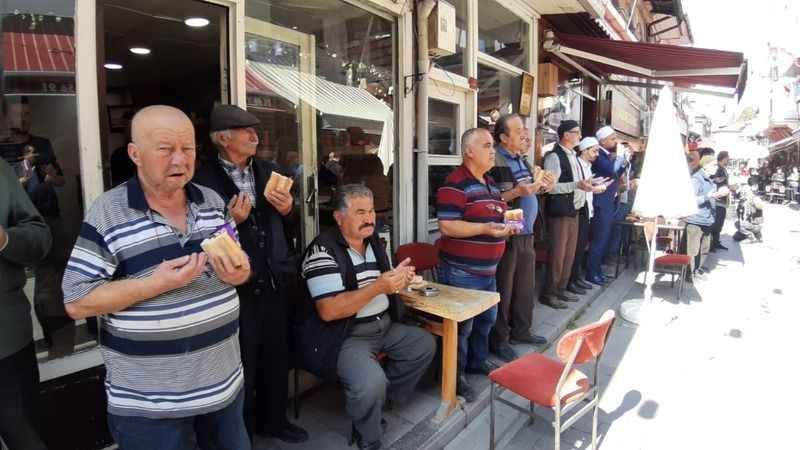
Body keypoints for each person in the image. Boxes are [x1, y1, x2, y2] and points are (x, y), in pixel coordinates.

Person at [61, 105, 252, 450]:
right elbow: (76, 302)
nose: (180, 160)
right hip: (149, 407)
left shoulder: (212, 202)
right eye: (165, 149)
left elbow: (240, 265)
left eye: (188, 148)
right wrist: (155, 284)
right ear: (135, 154)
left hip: (223, 389)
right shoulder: (108, 212)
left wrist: (240, 272)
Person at [192, 105, 308, 443]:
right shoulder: (202, 181)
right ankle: (241, 433)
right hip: (234, 288)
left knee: (276, 354)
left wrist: (288, 209)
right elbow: (198, 238)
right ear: (224, 138)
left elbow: (288, 222)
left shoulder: (269, 170)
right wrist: (232, 224)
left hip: (273, 279)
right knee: (242, 361)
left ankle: (275, 420)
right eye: (245, 130)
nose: (255, 136)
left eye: (254, 129)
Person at [300, 184, 435, 450]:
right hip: (346, 335)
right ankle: (369, 437)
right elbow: (329, 311)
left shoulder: (373, 242)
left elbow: (384, 284)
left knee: (424, 345)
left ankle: (377, 406)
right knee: (370, 382)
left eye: (371, 211)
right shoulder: (321, 252)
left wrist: (399, 278)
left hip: (383, 325)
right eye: (360, 212)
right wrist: (379, 287)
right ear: (339, 217)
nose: (370, 218)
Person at [436, 128, 517, 402]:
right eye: (486, 145)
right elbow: (447, 225)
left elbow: (496, 215)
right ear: (469, 151)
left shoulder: (490, 182)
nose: (492, 150)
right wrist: (485, 228)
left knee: (486, 321)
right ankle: (455, 378)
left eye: (493, 145)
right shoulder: (455, 183)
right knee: (463, 327)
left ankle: (476, 362)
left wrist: (506, 227)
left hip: (488, 270)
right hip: (462, 271)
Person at [0, 97, 74, 356]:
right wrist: (21, 178)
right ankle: (53, 344)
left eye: (28, 114)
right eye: (19, 114)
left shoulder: (42, 143)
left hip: (51, 220)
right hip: (20, 227)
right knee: (44, 287)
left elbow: (61, 179)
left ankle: (68, 340)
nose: (24, 119)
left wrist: (53, 178)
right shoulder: (3, 148)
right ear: (7, 117)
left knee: (65, 279)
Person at [488, 115, 554, 362]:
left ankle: (522, 330)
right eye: (518, 131)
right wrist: (521, 191)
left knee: (525, 285)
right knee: (504, 287)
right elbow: (499, 199)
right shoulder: (498, 160)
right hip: (509, 234)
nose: (525, 134)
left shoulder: (521, 159)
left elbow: (529, 191)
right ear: (504, 138)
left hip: (525, 232)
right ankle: (500, 339)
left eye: (524, 129)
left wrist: (544, 184)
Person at [1, 157, 52, 450]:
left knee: (27, 439)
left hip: (6, 343)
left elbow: (40, 238)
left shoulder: (0, 171)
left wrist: (5, 239)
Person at [542, 121, 594, 308]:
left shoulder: (573, 156)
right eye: (576, 132)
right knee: (558, 255)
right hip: (560, 212)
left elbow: (577, 183)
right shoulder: (554, 157)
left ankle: (561, 289)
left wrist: (587, 185)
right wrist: (576, 186)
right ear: (565, 135)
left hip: (574, 210)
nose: (579, 136)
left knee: (569, 254)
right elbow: (549, 188)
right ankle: (549, 293)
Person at [585, 126, 628, 286]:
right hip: (601, 203)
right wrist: (620, 159)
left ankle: (596, 271)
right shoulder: (600, 155)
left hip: (608, 201)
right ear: (602, 140)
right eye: (612, 138)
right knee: (599, 239)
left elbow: (617, 172)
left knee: (604, 239)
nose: (615, 141)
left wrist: (622, 161)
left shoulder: (606, 154)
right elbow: (611, 170)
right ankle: (592, 272)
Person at [571, 138, 606, 292]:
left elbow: (586, 184)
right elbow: (578, 186)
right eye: (594, 150)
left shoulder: (587, 166)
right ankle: (571, 280)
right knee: (576, 247)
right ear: (584, 150)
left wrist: (594, 183)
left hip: (586, 207)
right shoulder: (577, 164)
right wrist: (593, 188)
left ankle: (576, 277)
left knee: (581, 245)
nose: (596, 154)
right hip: (579, 208)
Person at [683, 151, 721, 281]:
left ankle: (696, 269)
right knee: (692, 250)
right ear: (706, 165)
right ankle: (689, 274)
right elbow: (691, 199)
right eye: (715, 165)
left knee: (705, 248)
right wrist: (708, 196)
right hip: (696, 220)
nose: (717, 167)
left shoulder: (710, 180)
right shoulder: (697, 179)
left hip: (707, 219)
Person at [711, 151, 730, 251]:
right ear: (723, 158)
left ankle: (716, 242)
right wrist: (717, 179)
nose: (729, 160)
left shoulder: (723, 169)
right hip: (718, 199)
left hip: (722, 199)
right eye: (727, 158)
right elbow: (712, 179)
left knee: (720, 222)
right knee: (717, 223)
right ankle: (713, 244)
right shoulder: (717, 168)